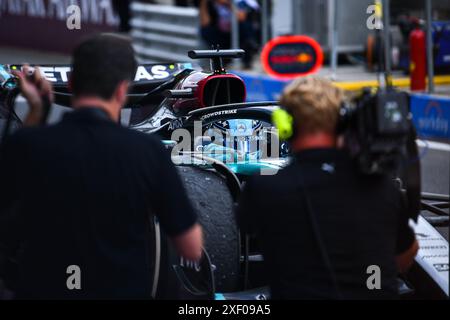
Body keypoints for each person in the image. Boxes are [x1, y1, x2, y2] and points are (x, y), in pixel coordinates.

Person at [0, 34, 203, 299]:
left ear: (71, 83)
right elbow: (191, 248)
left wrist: (38, 110)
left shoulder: (27, 144)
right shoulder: (148, 152)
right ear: (122, 90)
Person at [236, 77, 419, 299]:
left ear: (285, 125)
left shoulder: (262, 188)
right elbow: (405, 255)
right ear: (342, 123)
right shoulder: (383, 187)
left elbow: (242, 234)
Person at [199, 0, 259, 69]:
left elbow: (241, 17)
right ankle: (222, 60)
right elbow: (205, 23)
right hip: (221, 34)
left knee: (245, 28)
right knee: (206, 31)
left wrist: (228, 4)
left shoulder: (240, 2)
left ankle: (246, 61)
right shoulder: (211, 3)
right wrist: (204, 3)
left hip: (237, 33)